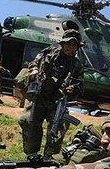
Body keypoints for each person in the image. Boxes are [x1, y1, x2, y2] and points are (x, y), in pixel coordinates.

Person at [18, 29, 84, 158]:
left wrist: (73, 89)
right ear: (62, 44)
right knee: (27, 122)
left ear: (77, 48)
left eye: (73, 45)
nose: (70, 48)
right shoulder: (48, 53)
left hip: (57, 102)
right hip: (39, 97)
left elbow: (80, 85)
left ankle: (50, 159)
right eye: (68, 44)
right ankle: (32, 155)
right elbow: (33, 63)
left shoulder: (77, 65)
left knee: (58, 130)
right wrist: (34, 70)